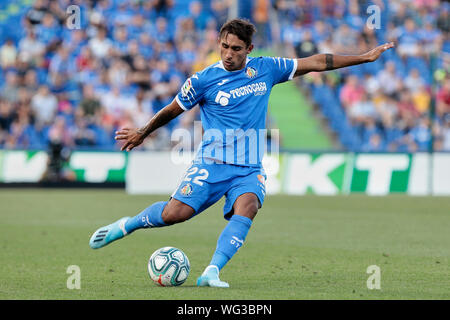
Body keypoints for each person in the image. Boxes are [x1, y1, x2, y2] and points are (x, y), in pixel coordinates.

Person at [89, 19, 394, 288]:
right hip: (212, 163)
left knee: (247, 206)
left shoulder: (266, 69)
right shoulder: (202, 80)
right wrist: (143, 131)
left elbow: (315, 62)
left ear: (249, 48)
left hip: (248, 167)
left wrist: (363, 58)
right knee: (174, 215)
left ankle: (211, 271)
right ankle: (127, 225)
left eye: (236, 48)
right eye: (224, 47)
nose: (229, 54)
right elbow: (172, 109)